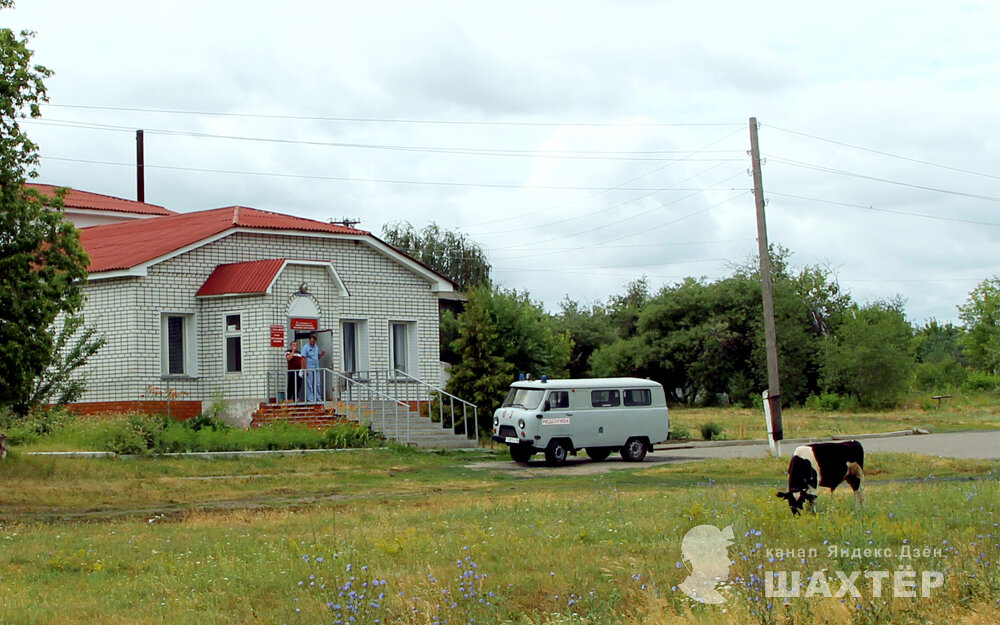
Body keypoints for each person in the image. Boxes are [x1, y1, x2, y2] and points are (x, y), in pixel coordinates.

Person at [301, 333, 326, 402]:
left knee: (317, 383)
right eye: (311, 342)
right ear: (309, 341)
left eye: (313, 342)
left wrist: (321, 354)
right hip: (309, 368)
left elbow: (317, 357)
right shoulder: (306, 347)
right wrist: (305, 369)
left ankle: (318, 398)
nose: (312, 343)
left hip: (316, 368)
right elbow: (303, 358)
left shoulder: (316, 347)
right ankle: (310, 399)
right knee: (310, 384)